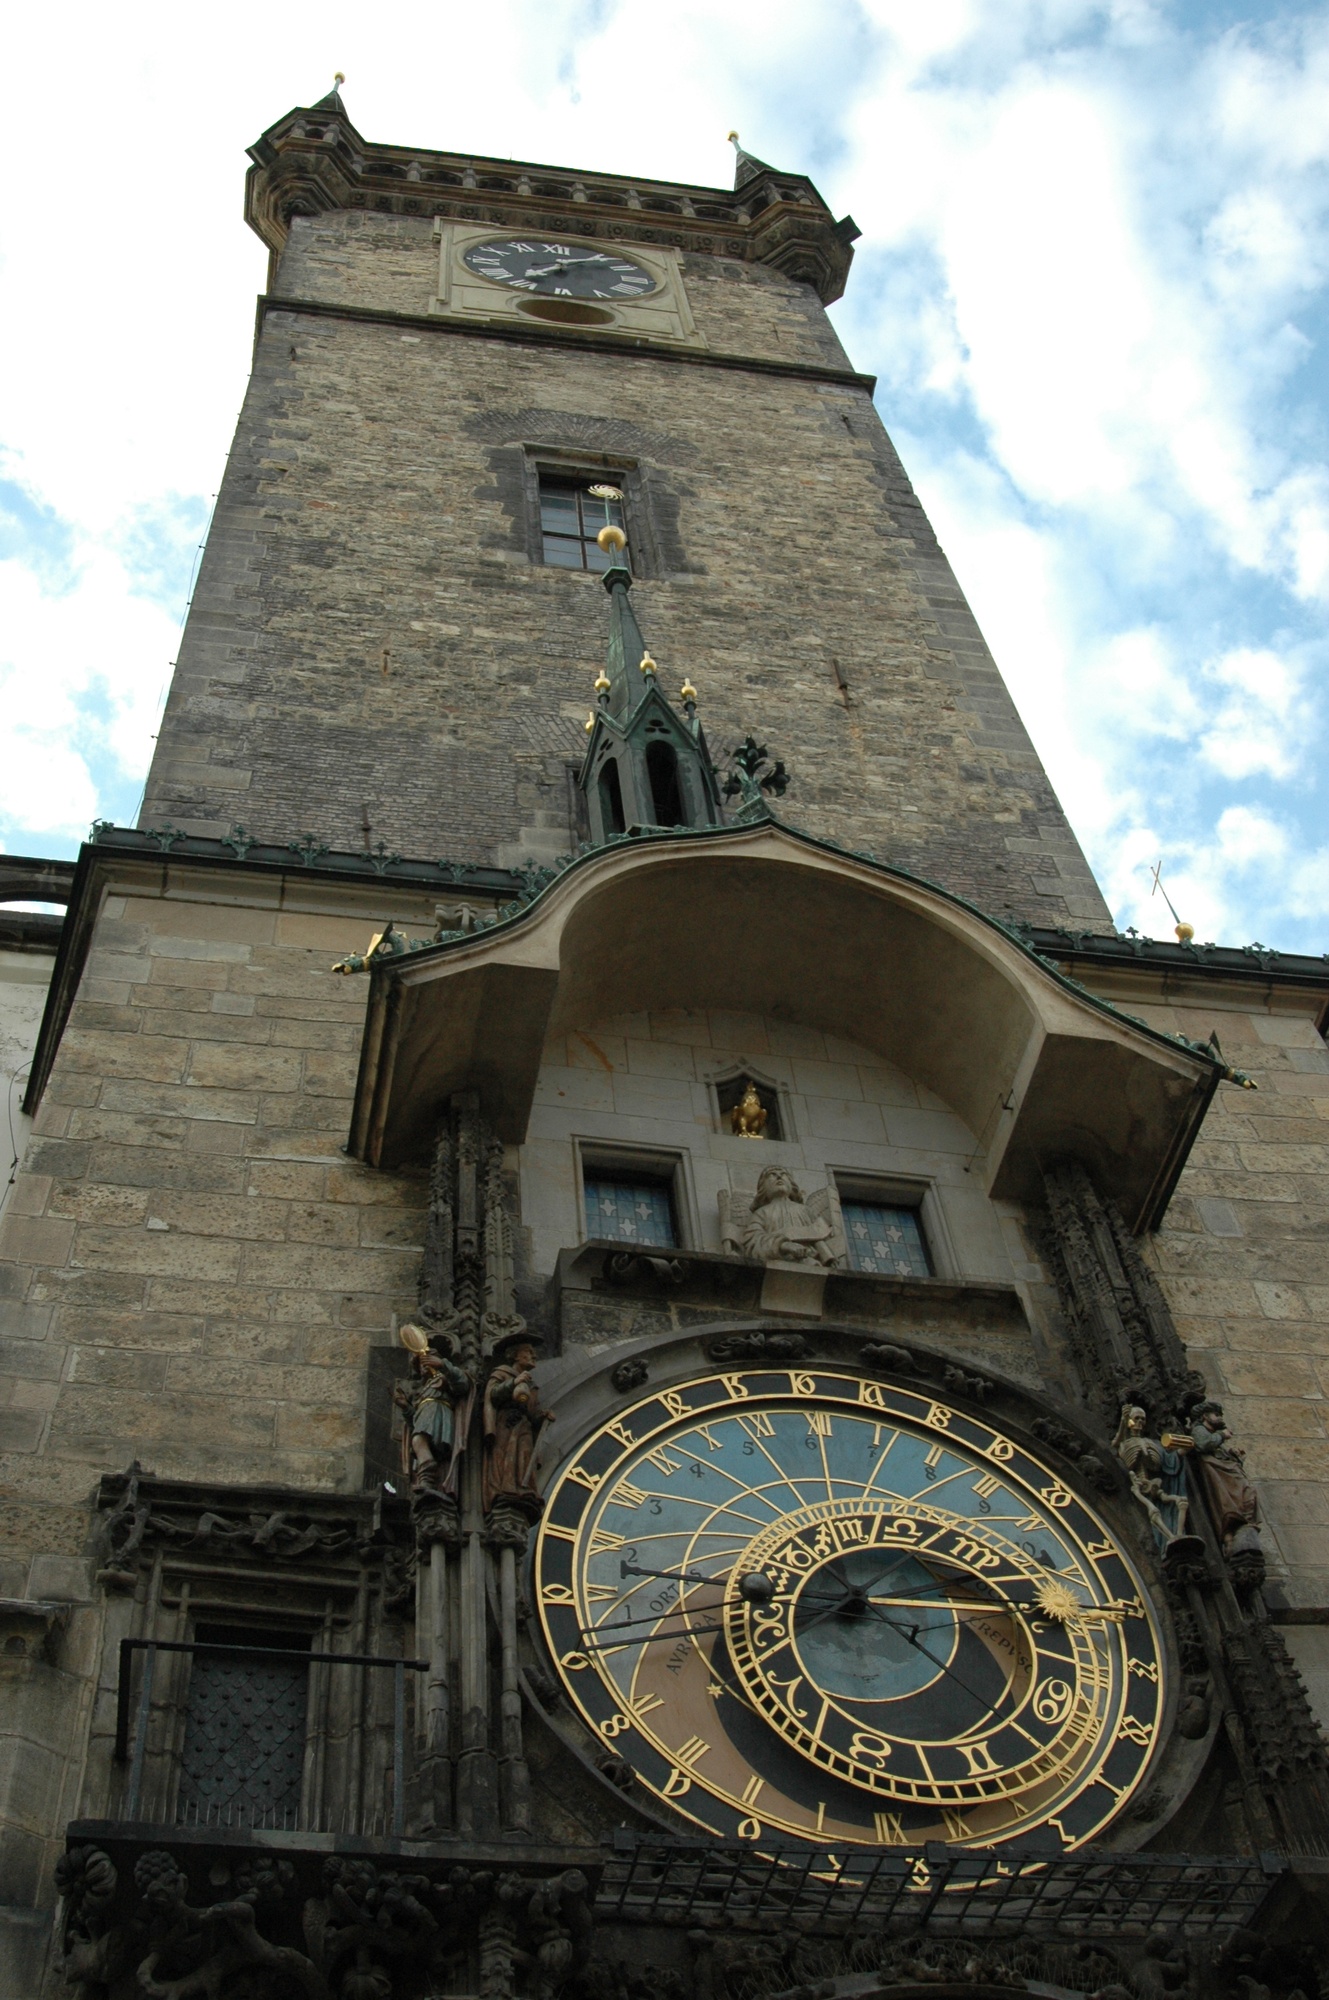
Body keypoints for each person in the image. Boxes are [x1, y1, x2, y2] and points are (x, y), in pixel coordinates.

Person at [395, 1323, 472, 1495]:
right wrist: (405, 1407)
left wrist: (443, 1365)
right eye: (420, 1364)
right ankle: (427, 1478)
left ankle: (429, 1470)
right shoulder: (421, 1392)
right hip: (427, 1416)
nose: (424, 1366)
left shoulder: (444, 1379)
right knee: (418, 1440)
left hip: (440, 1413)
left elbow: (462, 1385)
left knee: (418, 1440)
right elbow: (414, 1423)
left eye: (427, 1361)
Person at [1112, 1405, 1190, 1555]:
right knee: (1154, 1511)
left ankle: (1179, 1535)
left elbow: (1169, 1460)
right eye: (1136, 1418)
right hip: (1140, 1484)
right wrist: (1123, 1421)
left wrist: (1185, 1446)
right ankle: (1171, 1537)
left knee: (1181, 1501)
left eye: (1143, 1419)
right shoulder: (1124, 1443)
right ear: (1129, 1421)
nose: (1140, 1422)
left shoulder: (1153, 1443)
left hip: (1155, 1483)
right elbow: (1116, 1444)